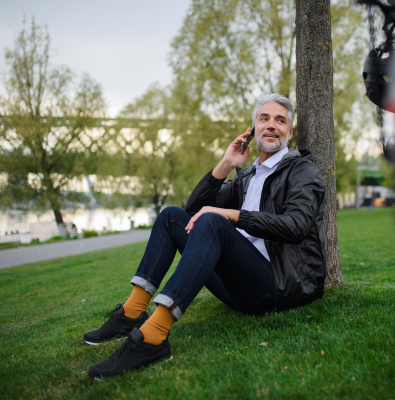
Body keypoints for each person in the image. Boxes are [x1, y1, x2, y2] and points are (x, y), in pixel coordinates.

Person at [85, 93, 326, 380]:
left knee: (213, 221)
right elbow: (193, 212)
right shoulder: (247, 175)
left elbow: (296, 226)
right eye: (264, 119)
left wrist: (232, 215)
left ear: (289, 131)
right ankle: (131, 313)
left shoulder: (302, 170)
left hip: (278, 286)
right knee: (171, 217)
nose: (272, 125)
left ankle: (153, 338)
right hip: (239, 283)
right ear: (253, 129)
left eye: (280, 120)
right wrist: (225, 164)